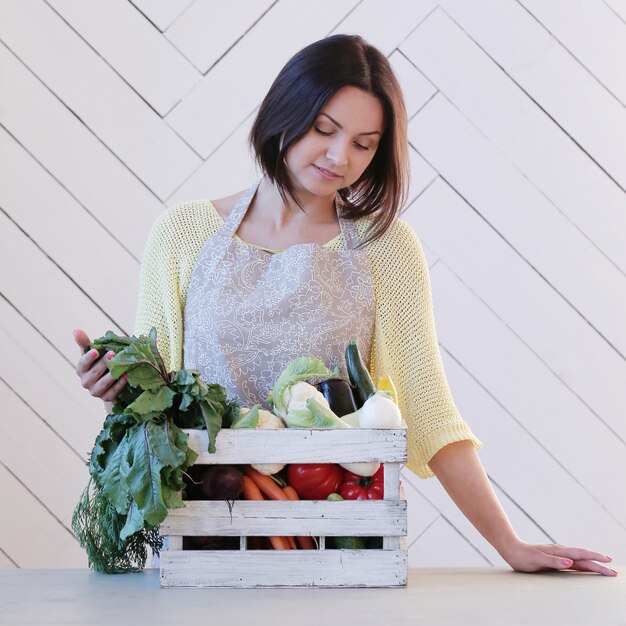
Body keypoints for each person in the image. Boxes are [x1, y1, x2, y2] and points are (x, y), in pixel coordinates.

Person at [73, 34, 616, 576]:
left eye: (364, 142)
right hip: (208, 526)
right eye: (324, 129)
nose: (339, 157)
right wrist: (114, 386)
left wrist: (509, 543)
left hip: (334, 528)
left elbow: (429, 409)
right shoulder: (182, 235)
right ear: (284, 113)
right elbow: (153, 400)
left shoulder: (387, 248)